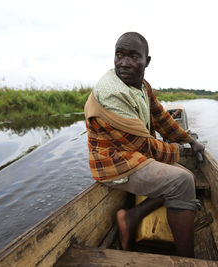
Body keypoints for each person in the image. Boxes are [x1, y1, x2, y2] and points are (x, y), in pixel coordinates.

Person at [84, 32, 204, 258]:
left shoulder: (142, 86)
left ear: (147, 61)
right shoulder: (112, 94)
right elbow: (144, 148)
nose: (124, 63)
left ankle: (131, 216)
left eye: (133, 57)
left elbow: (161, 119)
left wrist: (189, 139)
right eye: (119, 55)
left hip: (132, 157)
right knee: (183, 180)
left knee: (182, 175)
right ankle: (188, 261)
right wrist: (180, 150)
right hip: (114, 164)